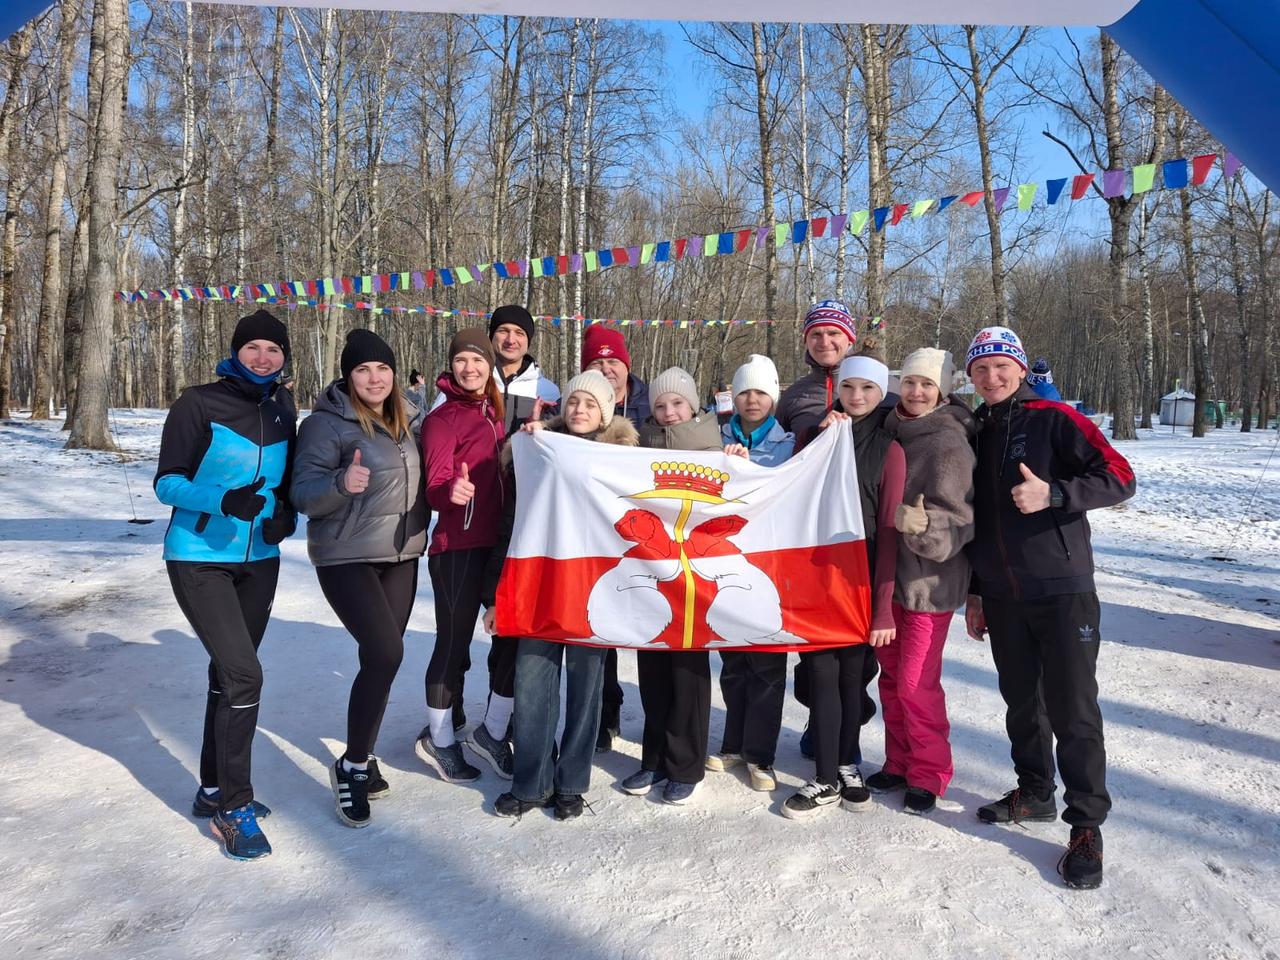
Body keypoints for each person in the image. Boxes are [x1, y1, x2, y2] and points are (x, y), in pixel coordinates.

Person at [962, 325, 1135, 890]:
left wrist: (1056, 494)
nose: (991, 377)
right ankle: (1035, 792)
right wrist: (978, 592)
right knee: (1021, 703)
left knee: (1073, 709)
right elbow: (980, 521)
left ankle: (1086, 826)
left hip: (1062, 589)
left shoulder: (1055, 418)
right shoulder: (978, 430)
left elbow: (1120, 476)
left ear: (1019, 368)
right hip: (1004, 595)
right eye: (980, 369)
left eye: (1000, 367)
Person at [154, 309, 296, 861]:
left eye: (274, 350)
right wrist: (222, 500)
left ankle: (212, 785)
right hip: (198, 557)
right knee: (245, 674)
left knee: (227, 676)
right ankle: (233, 807)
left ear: (285, 358)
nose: (263, 358)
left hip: (260, 559)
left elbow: (283, 486)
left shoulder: (283, 408)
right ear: (235, 351)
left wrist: (285, 516)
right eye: (254, 348)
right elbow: (167, 482)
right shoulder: (198, 403)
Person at [483, 370, 641, 820]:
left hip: (594, 587)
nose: (579, 410)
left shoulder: (623, 460)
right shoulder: (539, 450)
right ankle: (531, 782)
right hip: (540, 582)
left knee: (587, 688)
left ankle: (572, 781)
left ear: (605, 412)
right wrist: (495, 596)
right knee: (533, 683)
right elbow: (511, 526)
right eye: (574, 402)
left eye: (590, 404)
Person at [292, 329, 428, 828]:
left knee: (382, 661)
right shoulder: (325, 426)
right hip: (345, 555)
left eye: (382, 369)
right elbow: (302, 494)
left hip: (402, 555)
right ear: (348, 377)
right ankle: (351, 766)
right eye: (363, 370)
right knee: (386, 652)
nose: (375, 378)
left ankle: (362, 755)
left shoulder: (410, 420)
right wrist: (339, 485)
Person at [783, 352, 903, 820]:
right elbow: (788, 496)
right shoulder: (815, 436)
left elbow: (890, 529)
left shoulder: (890, 446)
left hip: (862, 578)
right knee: (821, 676)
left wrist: (884, 607)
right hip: (816, 576)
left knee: (854, 678)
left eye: (868, 390)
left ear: (881, 394)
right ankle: (825, 777)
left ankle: (848, 763)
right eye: (849, 388)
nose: (857, 397)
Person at [875, 347, 975, 816]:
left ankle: (929, 774)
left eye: (927, 385)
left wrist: (925, 527)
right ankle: (898, 762)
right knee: (892, 678)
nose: (915, 392)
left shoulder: (949, 442)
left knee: (917, 684)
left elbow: (960, 521)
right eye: (910, 382)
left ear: (942, 392)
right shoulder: (888, 428)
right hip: (886, 581)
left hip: (927, 584)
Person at [621, 366, 723, 805]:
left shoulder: (712, 443)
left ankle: (686, 763)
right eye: (660, 405)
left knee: (687, 670)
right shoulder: (639, 442)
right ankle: (655, 756)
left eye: (677, 403)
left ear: (694, 404)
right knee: (653, 665)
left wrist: (735, 460)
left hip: (694, 572)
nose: (668, 412)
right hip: (652, 568)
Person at [416, 328, 514, 784]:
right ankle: (439, 739)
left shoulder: (496, 411)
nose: (469, 368)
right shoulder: (442, 419)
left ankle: (493, 732)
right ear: (451, 366)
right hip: (456, 550)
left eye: (477, 361)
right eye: (461, 361)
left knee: (510, 640)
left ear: (489, 366)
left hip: (499, 547)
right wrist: (449, 493)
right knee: (453, 647)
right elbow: (434, 487)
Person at [707, 354, 795, 792]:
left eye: (761, 392)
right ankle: (732, 744)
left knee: (767, 663)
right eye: (745, 391)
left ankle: (761, 755)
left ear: (773, 397)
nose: (752, 399)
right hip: (724, 562)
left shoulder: (791, 445)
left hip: (770, 566)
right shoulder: (714, 437)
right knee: (733, 661)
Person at [579, 324, 650, 751]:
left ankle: (659, 722)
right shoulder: (579, 405)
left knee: (653, 618)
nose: (606, 369)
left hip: (644, 533)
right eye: (596, 362)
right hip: (597, 535)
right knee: (599, 624)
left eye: (613, 362)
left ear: (627, 366)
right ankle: (605, 713)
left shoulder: (650, 405)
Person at [429, 305, 560, 433]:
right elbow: (434, 427)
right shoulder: (467, 381)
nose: (511, 340)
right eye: (503, 331)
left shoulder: (547, 390)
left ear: (528, 341)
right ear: (492, 336)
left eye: (519, 333)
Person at [776, 299, 859, 451]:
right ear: (806, 341)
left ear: (850, 339)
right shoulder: (791, 396)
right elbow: (777, 453)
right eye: (816, 334)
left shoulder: (878, 389)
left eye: (833, 333)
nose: (825, 342)